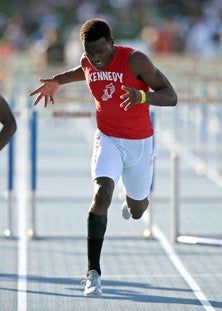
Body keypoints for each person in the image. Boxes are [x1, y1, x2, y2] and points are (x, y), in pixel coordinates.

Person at [29, 18, 177, 297]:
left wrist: (142, 98)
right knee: (101, 194)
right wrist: (57, 81)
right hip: (107, 138)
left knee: (138, 211)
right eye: (89, 52)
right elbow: (81, 70)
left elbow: (171, 96)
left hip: (140, 143)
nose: (96, 58)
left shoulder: (136, 61)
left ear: (111, 43)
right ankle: (92, 272)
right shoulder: (89, 62)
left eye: (100, 51)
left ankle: (128, 197)